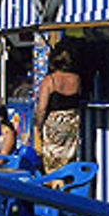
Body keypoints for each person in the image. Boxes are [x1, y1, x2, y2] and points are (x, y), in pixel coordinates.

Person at [33, 43, 81, 188]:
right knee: (68, 160)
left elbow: (41, 108)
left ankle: (54, 192)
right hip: (72, 123)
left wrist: (38, 127)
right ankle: (66, 191)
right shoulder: (76, 79)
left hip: (55, 124)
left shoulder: (50, 80)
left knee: (52, 163)